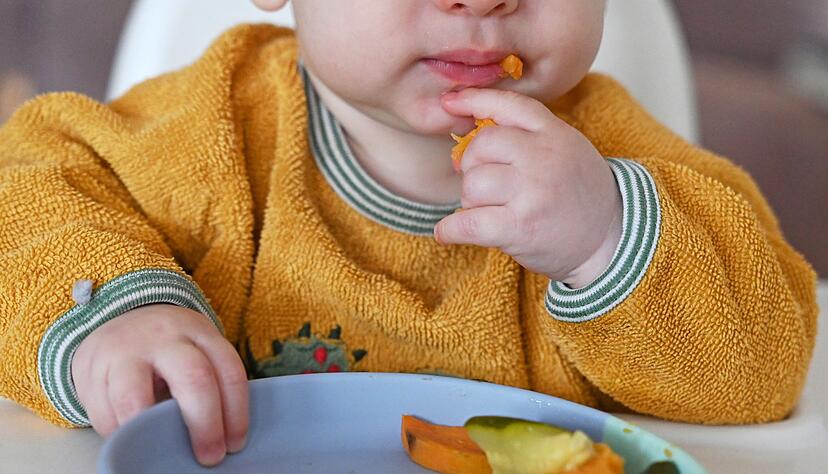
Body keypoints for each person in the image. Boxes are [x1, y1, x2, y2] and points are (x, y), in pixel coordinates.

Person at [0, 0, 817, 467]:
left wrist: (607, 238)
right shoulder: (212, 127)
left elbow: (763, 365)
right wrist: (112, 318)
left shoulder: (612, 159)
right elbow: (25, 192)